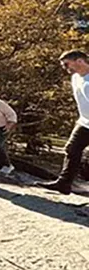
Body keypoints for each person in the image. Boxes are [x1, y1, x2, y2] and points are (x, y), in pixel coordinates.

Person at [39, 50, 89, 194]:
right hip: (85, 122)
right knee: (71, 149)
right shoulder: (75, 78)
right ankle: (64, 184)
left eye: (67, 65)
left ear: (80, 61)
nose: (66, 69)